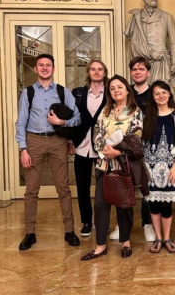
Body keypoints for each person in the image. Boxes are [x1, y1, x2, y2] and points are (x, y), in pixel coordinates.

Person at [15, 53, 81, 251]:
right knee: (31, 190)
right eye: (41, 65)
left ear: (53, 68)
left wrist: (62, 124)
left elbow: (76, 117)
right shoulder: (27, 93)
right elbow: (21, 122)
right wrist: (23, 149)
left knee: (63, 188)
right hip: (34, 141)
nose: (45, 68)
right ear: (35, 69)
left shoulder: (63, 92)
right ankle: (29, 233)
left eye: (48, 65)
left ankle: (69, 231)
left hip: (57, 141)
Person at [81, 75, 145, 260]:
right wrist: (105, 149)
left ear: (127, 89)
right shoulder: (105, 111)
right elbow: (97, 134)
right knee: (100, 204)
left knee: (123, 204)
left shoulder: (135, 112)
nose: (116, 90)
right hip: (104, 164)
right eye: (113, 88)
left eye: (120, 87)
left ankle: (126, 242)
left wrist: (118, 152)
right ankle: (100, 246)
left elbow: (137, 138)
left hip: (123, 164)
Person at [142, 80, 175, 253]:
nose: (161, 96)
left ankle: (167, 237)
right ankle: (158, 238)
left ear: (169, 94)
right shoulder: (147, 115)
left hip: (171, 166)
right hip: (150, 167)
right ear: (153, 97)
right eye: (157, 93)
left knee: (167, 204)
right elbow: (141, 142)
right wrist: (144, 168)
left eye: (164, 92)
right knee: (153, 203)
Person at [113, 56, 155, 243]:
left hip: (148, 146)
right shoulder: (125, 92)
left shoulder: (155, 93)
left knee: (146, 188)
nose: (137, 72)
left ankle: (148, 224)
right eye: (134, 69)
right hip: (125, 148)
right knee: (123, 185)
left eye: (141, 69)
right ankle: (121, 225)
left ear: (148, 72)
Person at [69, 59, 108, 237]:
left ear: (105, 73)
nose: (96, 72)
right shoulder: (77, 93)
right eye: (93, 69)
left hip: (103, 149)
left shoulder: (110, 94)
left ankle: (102, 222)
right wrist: (70, 141)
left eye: (100, 69)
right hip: (82, 147)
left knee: (104, 188)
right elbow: (71, 118)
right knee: (82, 188)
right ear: (88, 72)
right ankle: (86, 221)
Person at [125, 0, 175, 87]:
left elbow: (173, 42)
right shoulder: (136, 18)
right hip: (143, 65)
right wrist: (150, 53)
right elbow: (134, 44)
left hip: (162, 62)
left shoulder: (167, 17)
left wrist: (174, 63)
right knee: (143, 95)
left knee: (163, 93)